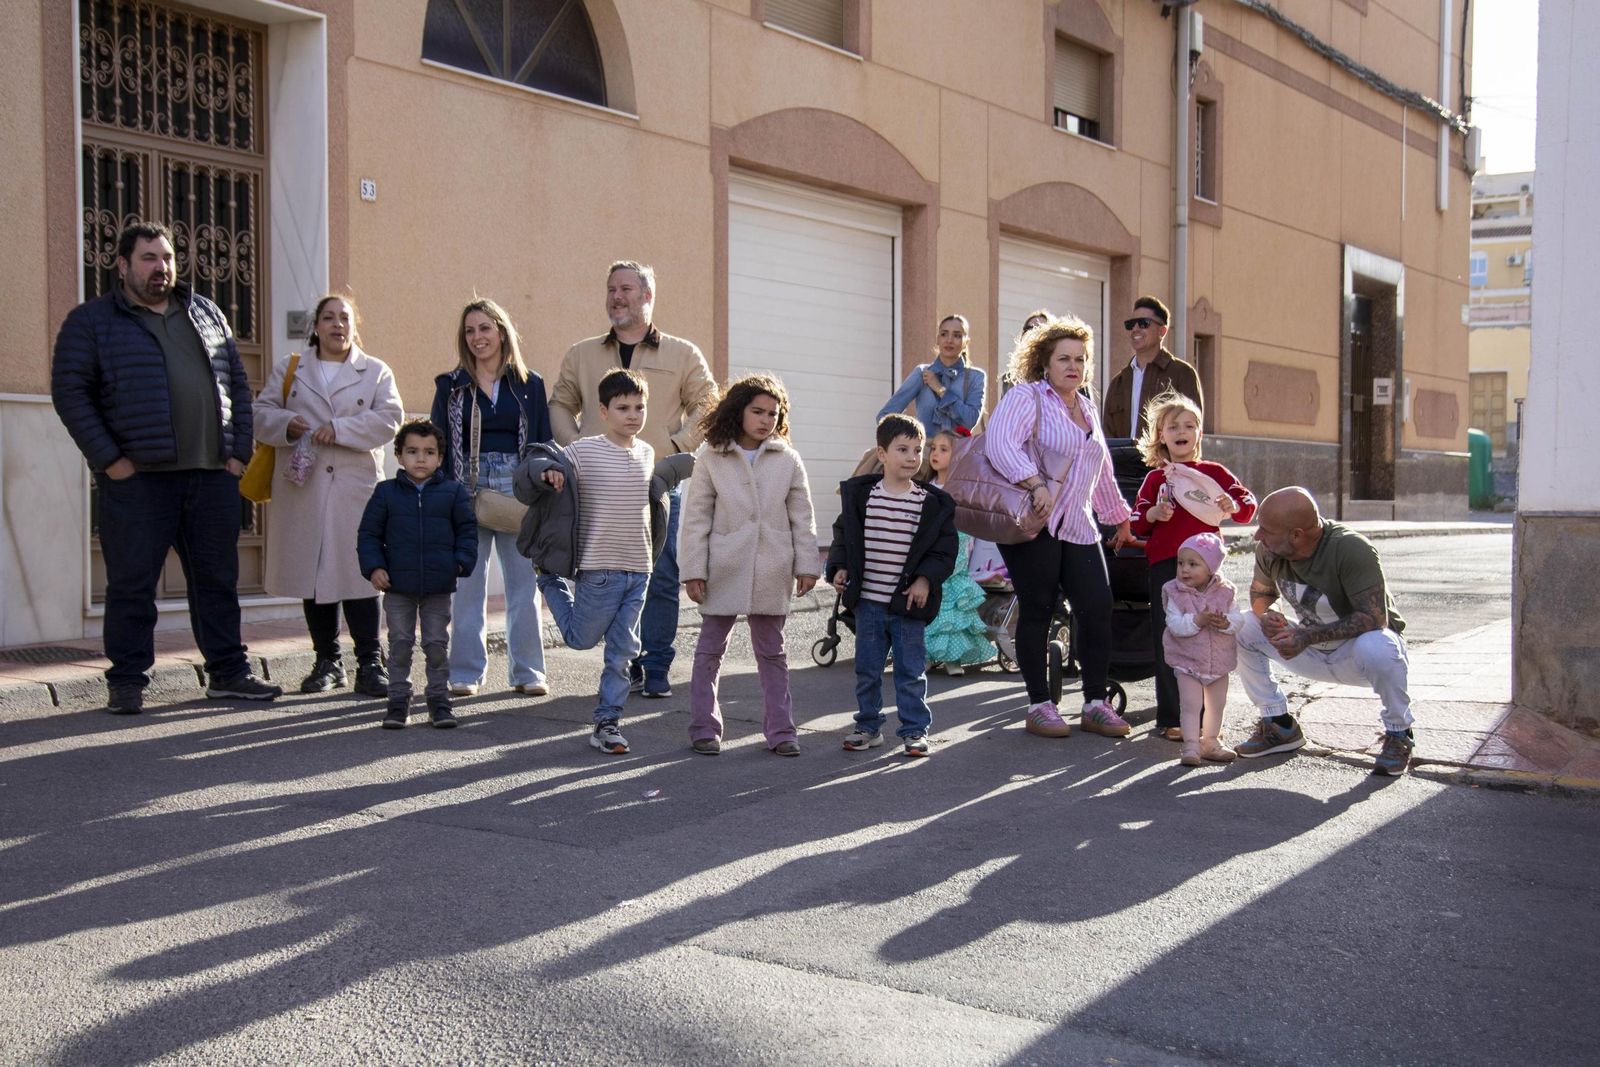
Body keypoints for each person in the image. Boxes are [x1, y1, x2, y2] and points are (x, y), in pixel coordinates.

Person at [50, 220, 280, 712]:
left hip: (211, 474)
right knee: (132, 582)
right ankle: (128, 680)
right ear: (123, 265)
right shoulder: (90, 322)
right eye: (150, 258)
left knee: (217, 579)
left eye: (168, 258)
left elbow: (237, 385)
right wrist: (111, 461)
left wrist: (237, 454)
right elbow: (71, 394)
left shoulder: (206, 313)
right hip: (139, 481)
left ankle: (228, 673)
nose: (162, 268)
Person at [550, 261, 716, 700]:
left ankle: (656, 664)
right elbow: (561, 403)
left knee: (659, 576)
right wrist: (574, 451)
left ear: (647, 296)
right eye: (610, 290)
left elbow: (708, 403)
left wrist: (676, 448)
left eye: (625, 289)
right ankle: (622, 660)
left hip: (656, 486)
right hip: (597, 484)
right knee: (601, 575)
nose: (616, 297)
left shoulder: (682, 354)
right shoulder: (581, 353)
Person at [521, 370, 693, 756]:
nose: (633, 415)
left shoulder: (647, 452)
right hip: (599, 570)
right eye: (623, 407)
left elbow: (655, 498)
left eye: (639, 407)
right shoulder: (584, 450)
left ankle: (607, 722)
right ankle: (548, 580)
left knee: (623, 653)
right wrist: (546, 472)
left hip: (640, 570)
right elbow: (537, 458)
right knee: (580, 639)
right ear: (603, 410)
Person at [983, 316, 1134, 740]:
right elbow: (999, 443)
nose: (1074, 366)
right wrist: (1033, 482)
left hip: (1079, 524)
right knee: (1039, 608)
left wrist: (1118, 516)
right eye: (1064, 358)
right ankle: (1039, 705)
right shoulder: (1027, 397)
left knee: (1097, 606)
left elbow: (1099, 471)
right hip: (1034, 521)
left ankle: (1094, 704)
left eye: (1081, 359)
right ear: (1044, 363)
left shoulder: (1086, 408)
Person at [253, 294, 403, 697]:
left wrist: (340, 429)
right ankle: (327, 661)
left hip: (353, 487)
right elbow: (260, 414)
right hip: (304, 484)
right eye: (329, 317)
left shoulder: (374, 370)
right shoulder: (291, 368)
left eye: (345, 318)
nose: (337, 324)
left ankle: (371, 662)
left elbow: (391, 419)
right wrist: (288, 423)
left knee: (360, 570)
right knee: (314, 572)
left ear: (355, 326)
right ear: (316, 325)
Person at [678, 375, 820, 757]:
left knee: (773, 651)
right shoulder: (711, 457)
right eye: (757, 411)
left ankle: (781, 731)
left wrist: (807, 563)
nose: (765, 419)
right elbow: (696, 517)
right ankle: (704, 728)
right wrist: (694, 569)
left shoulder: (787, 459)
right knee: (710, 648)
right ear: (738, 410)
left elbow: (802, 518)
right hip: (723, 563)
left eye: (773, 413)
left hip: (774, 564)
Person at [1234, 487, 1415, 775]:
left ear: (1296, 534)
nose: (1257, 536)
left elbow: (1373, 618)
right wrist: (1268, 614)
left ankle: (1399, 733)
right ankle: (1279, 726)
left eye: (1266, 530)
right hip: (1310, 650)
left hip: (1357, 655)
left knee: (1379, 645)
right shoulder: (1268, 550)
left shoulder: (1351, 548)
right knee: (1244, 625)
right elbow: (1261, 594)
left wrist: (1306, 637)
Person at [431, 298, 554, 699]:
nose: (477, 337)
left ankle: (529, 671)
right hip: (466, 486)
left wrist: (541, 484)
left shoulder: (529, 383)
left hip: (517, 487)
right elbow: (439, 444)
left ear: (501, 332)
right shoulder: (450, 386)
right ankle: (465, 671)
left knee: (523, 584)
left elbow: (540, 440)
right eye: (470, 330)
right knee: (468, 584)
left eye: (484, 328)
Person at [826, 413, 958, 758]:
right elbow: (843, 537)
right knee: (867, 670)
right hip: (868, 602)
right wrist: (838, 567)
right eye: (903, 449)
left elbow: (944, 550)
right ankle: (868, 727)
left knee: (910, 672)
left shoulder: (929, 504)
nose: (913, 457)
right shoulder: (862, 497)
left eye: (918, 449)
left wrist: (925, 579)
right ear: (882, 454)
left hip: (907, 605)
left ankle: (915, 731)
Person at [1130, 391, 1256, 741]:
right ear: (1161, 436)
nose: (1181, 431)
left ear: (1199, 434)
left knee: (1208, 638)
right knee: (1170, 637)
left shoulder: (1213, 473)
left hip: (1207, 572)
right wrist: (1154, 513)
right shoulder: (1157, 479)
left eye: (1190, 425)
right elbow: (1137, 520)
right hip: (1165, 565)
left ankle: (1205, 719)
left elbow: (1247, 505)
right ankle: (1172, 717)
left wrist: (1231, 504)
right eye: (1173, 426)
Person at [357, 421, 477, 729]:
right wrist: (375, 568)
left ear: (440, 458)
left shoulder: (453, 493)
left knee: (436, 644)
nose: (420, 459)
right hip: (397, 586)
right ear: (398, 456)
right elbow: (369, 534)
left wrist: (461, 561)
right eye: (412, 451)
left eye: (428, 452)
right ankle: (398, 702)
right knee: (399, 644)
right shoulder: (385, 493)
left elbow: (467, 531)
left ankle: (439, 701)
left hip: (438, 586)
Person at [1161, 533, 1245, 766]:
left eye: (1193, 564)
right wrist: (1197, 621)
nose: (1184, 570)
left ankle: (1210, 741)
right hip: (1188, 661)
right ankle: (1190, 745)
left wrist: (1226, 623)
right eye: (1181, 563)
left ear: (1211, 568)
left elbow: (1239, 619)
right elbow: (1175, 625)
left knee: (1216, 705)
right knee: (1190, 704)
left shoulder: (1226, 591)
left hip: (1218, 660)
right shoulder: (1174, 592)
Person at [923, 429, 993, 675]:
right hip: (931, 548)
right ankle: (931, 653)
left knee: (953, 602)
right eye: (934, 448)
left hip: (956, 545)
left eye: (944, 449)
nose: (936, 454)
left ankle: (954, 657)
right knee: (931, 601)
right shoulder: (925, 486)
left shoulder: (961, 486)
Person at [1101, 296, 1204, 439]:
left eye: (1143, 323)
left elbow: (1192, 430)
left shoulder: (1182, 374)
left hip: (1166, 461)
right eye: (1131, 324)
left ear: (1162, 331)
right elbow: (1107, 437)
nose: (1135, 329)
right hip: (1123, 461)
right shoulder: (1118, 382)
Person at [878, 314, 988, 436]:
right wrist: (910, 440)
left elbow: (970, 420)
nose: (949, 340)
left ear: (966, 342)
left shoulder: (975, 377)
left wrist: (941, 390)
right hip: (926, 453)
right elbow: (885, 416)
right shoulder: (922, 373)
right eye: (944, 334)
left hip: (959, 453)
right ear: (937, 339)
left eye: (957, 335)